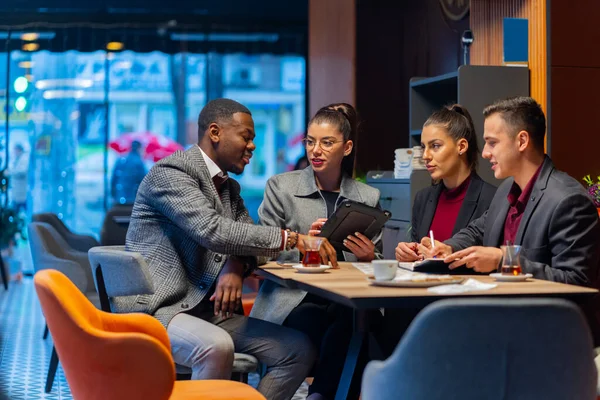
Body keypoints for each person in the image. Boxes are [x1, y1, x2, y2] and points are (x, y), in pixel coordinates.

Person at [117, 99, 337, 400]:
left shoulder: (229, 189)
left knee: (298, 350)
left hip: (203, 311)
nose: (252, 146)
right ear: (215, 132)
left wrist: (234, 266)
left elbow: (249, 243)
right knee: (215, 346)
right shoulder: (171, 173)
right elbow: (213, 231)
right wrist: (293, 238)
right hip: (157, 311)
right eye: (246, 137)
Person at [251, 103, 381, 400]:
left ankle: (319, 394)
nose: (315, 150)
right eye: (310, 141)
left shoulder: (367, 196)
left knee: (357, 321)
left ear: (346, 148)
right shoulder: (281, 187)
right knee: (350, 331)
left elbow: (378, 264)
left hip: (347, 300)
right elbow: (260, 251)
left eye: (326, 142)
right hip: (293, 301)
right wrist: (299, 246)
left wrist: (368, 256)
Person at [419, 96, 600, 288]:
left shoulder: (569, 201)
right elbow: (477, 231)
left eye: (492, 143)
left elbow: (577, 282)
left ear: (522, 141)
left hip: (542, 317)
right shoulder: (506, 189)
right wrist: (449, 247)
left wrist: (504, 260)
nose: (485, 153)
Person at [395, 104, 496, 264]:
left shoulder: (492, 199)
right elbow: (419, 255)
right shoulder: (423, 198)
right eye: (423, 147)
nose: (426, 156)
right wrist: (409, 253)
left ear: (461, 146)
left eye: (435, 146)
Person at [110, 139, 146, 205]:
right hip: (133, 201)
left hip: (118, 199)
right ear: (139, 149)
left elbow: (113, 180)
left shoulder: (120, 160)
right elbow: (144, 182)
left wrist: (114, 195)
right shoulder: (139, 162)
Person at [5, 144, 29, 214]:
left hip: (21, 192)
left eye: (15, 150)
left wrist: (10, 172)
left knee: (21, 210)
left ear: (19, 150)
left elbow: (22, 171)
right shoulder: (18, 159)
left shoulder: (24, 159)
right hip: (17, 192)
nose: (14, 152)